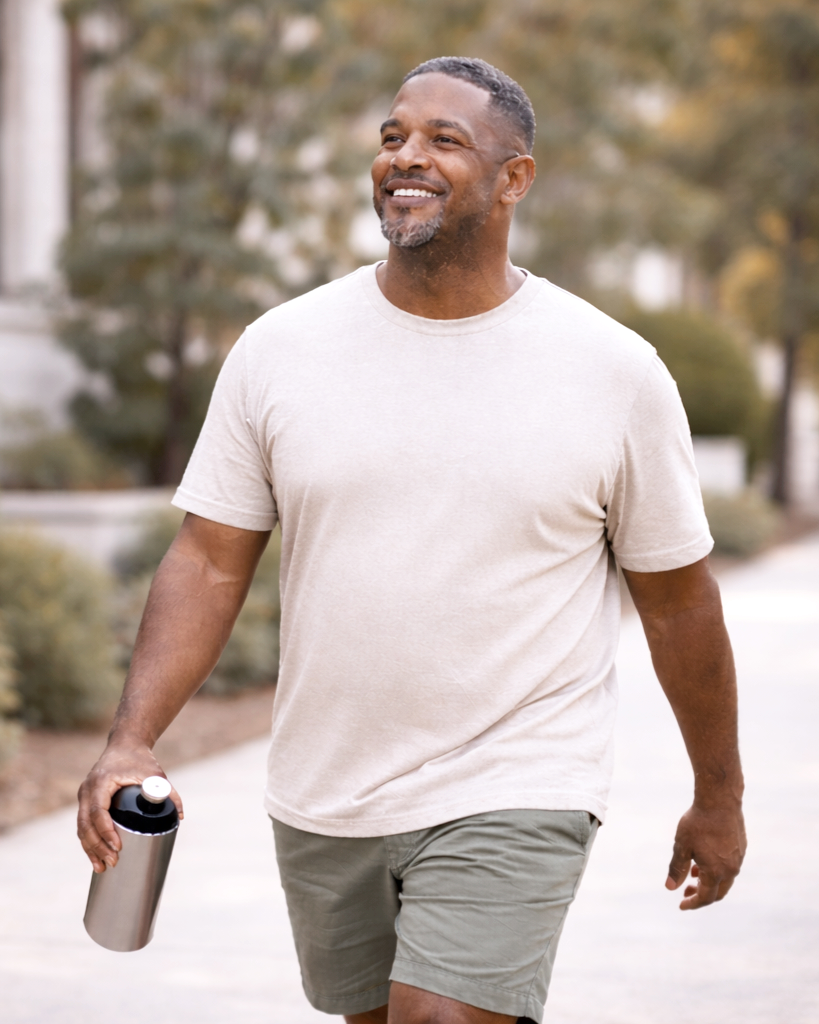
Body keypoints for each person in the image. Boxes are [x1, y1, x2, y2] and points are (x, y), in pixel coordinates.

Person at [78, 57, 746, 1024]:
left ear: (515, 178)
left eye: (444, 140)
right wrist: (130, 739)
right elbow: (210, 556)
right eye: (394, 136)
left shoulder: (611, 371)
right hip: (328, 791)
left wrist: (717, 794)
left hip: (519, 777)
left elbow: (678, 597)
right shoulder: (281, 349)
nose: (406, 157)